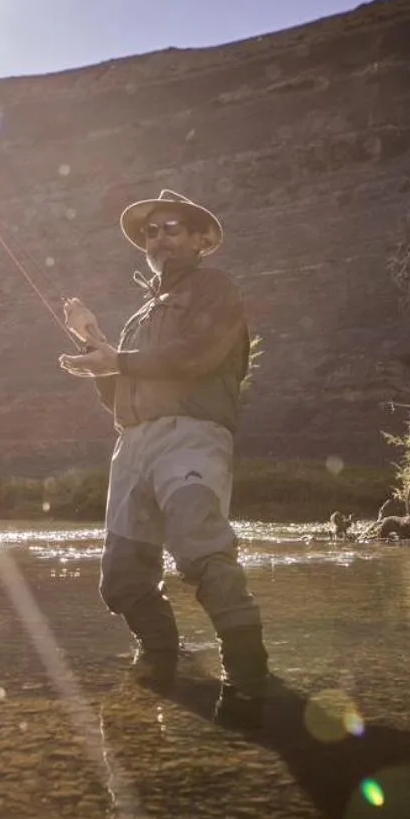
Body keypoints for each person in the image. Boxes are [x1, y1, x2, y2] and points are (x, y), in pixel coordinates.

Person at [58, 189, 268, 720]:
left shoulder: (216, 289)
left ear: (201, 240)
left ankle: (248, 677)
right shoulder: (136, 319)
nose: (160, 238)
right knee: (122, 580)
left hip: (193, 435)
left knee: (200, 547)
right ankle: (161, 660)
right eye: (152, 232)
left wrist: (117, 360)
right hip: (133, 446)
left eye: (172, 227)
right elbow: (118, 395)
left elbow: (195, 355)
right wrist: (95, 345)